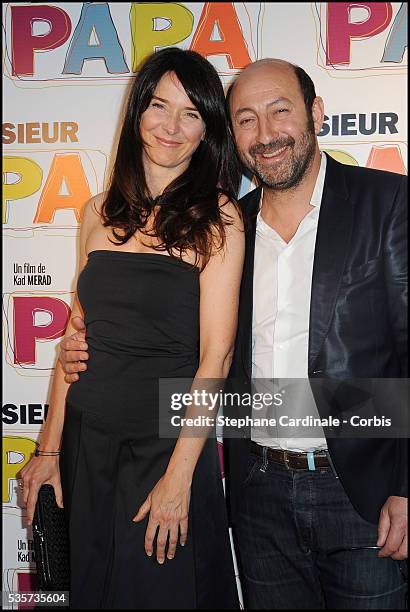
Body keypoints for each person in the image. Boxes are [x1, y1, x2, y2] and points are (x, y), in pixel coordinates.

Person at [59, 58, 408, 609]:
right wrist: (78, 348)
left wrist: (405, 485)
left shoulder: (386, 203)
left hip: (361, 493)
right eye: (246, 119)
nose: (266, 134)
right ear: (232, 133)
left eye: (280, 112)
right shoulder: (227, 222)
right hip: (257, 491)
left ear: (316, 113)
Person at [20, 47, 244, 610]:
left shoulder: (219, 217)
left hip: (164, 448)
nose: (171, 126)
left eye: (191, 113)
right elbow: (79, 338)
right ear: (137, 112)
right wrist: (48, 448)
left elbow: (215, 359)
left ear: (207, 129)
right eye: (158, 106)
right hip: (87, 443)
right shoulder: (97, 211)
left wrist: (179, 479)